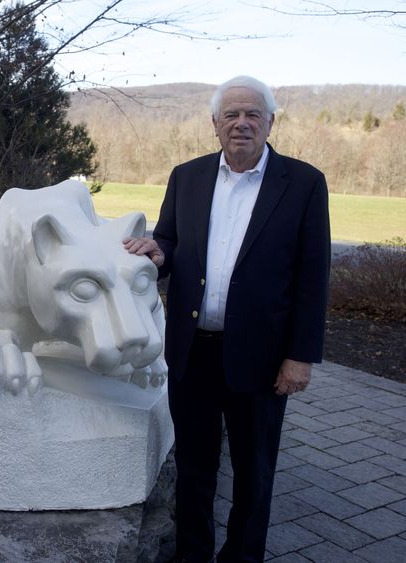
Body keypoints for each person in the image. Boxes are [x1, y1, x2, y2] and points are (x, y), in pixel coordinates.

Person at [125, 75, 330, 562]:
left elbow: (312, 277)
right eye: (231, 115)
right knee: (195, 470)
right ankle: (193, 555)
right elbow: (171, 244)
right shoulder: (186, 176)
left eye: (252, 114)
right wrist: (158, 252)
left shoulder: (303, 184)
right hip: (192, 352)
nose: (241, 124)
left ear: (270, 122)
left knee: (253, 473)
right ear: (214, 124)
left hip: (260, 360)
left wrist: (299, 358)